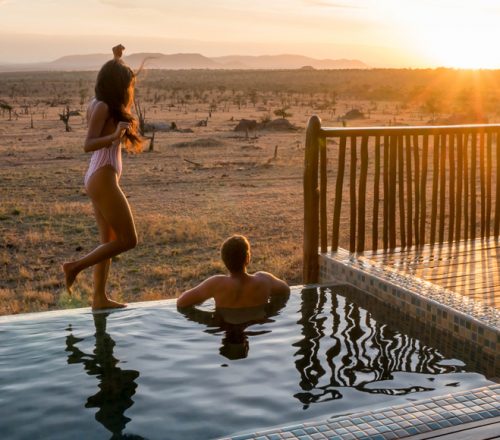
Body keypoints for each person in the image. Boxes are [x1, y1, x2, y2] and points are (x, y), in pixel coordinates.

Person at [63, 45, 142, 310]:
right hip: (102, 176)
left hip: (102, 175)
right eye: (127, 84)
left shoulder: (102, 102)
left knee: (107, 241)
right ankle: (74, 267)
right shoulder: (103, 107)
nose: (129, 90)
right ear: (117, 85)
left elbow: (113, 72)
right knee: (129, 240)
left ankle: (99, 297)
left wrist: (117, 58)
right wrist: (114, 137)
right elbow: (88, 144)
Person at [177, 235, 290, 309]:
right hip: (256, 328)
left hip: (225, 328)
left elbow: (181, 302)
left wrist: (210, 322)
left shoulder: (216, 284)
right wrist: (270, 313)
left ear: (223, 260)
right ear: (248, 258)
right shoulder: (264, 280)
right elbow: (286, 290)